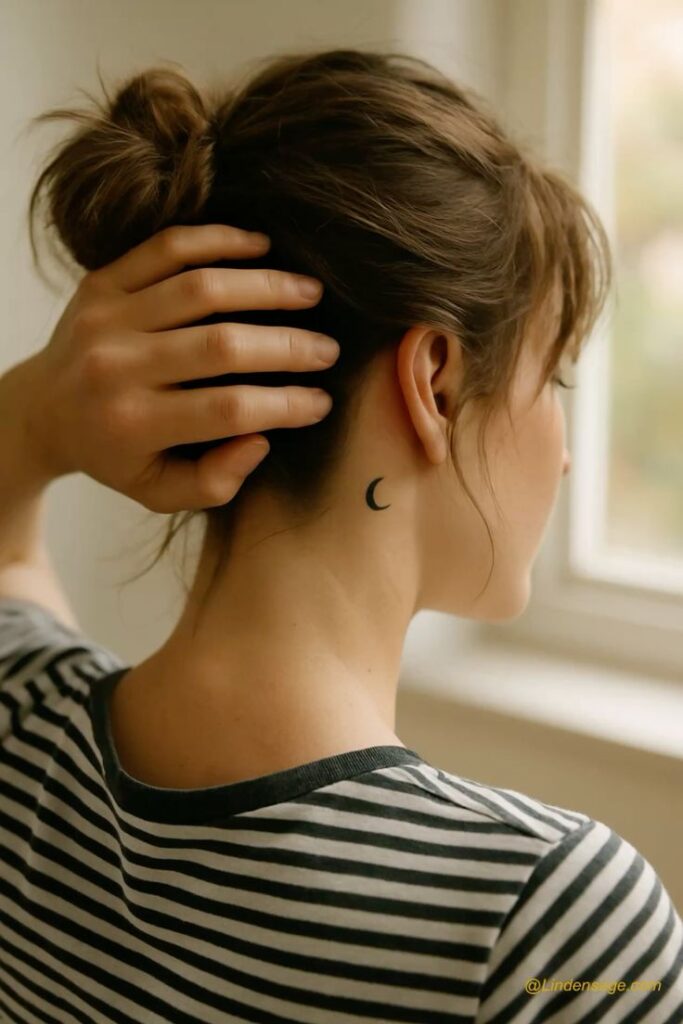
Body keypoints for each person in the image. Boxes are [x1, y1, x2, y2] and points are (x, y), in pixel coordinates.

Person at [0, 48, 680, 1023]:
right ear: (433, 381)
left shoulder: (22, 730)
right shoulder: (551, 920)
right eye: (554, 378)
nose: (564, 455)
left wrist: (33, 414)